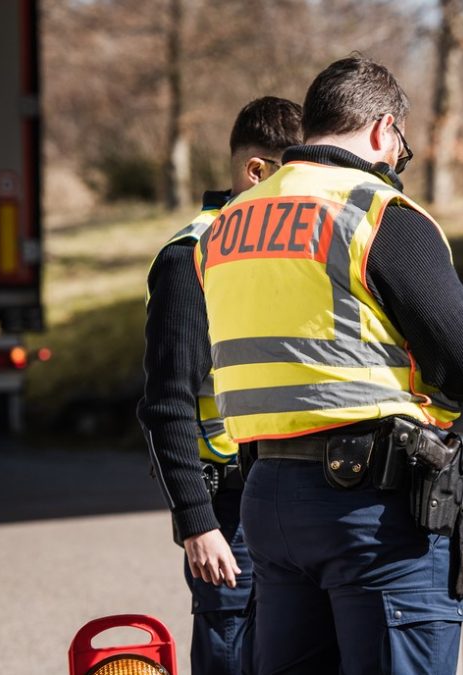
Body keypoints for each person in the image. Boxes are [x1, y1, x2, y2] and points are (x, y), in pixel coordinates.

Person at [195, 56, 463, 674]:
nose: (397, 163)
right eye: (402, 148)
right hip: (372, 507)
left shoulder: (226, 227)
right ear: (382, 130)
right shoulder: (375, 213)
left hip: (269, 499)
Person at [137, 96, 303, 675]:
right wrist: (196, 523)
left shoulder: (290, 249)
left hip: (292, 488)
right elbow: (166, 405)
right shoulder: (190, 259)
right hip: (227, 510)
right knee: (231, 650)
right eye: (296, 174)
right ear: (255, 172)